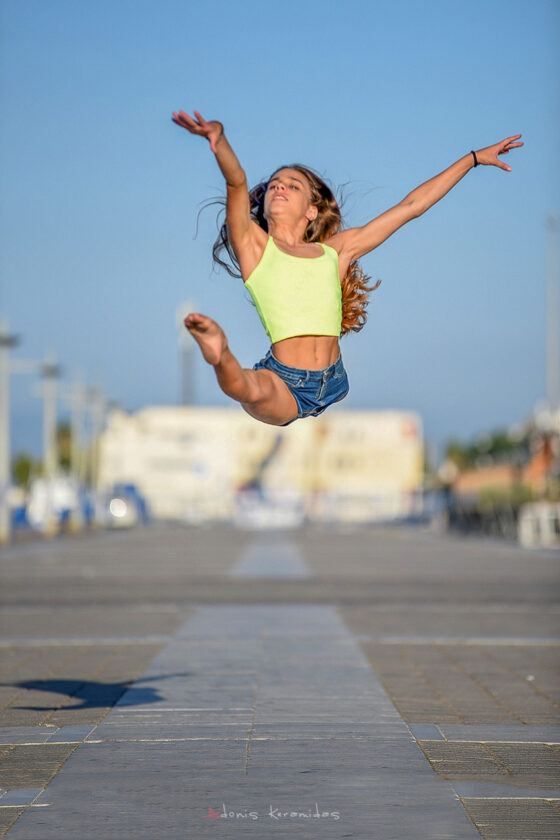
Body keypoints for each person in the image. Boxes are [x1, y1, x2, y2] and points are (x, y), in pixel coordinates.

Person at [171, 109, 522, 427]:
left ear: (312, 210)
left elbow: (412, 206)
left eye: (293, 185)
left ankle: (223, 357)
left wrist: (473, 159)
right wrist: (220, 140)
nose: (280, 187)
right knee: (251, 390)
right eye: (275, 185)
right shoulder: (255, 249)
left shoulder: (335, 252)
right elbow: (237, 182)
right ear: (262, 208)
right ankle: (220, 353)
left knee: (252, 391)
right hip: (285, 383)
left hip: (334, 378)